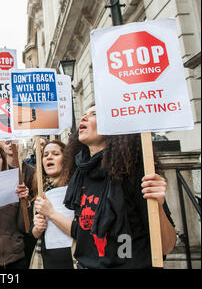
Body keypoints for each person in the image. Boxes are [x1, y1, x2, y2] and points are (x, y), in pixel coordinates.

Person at [62, 106, 176, 269]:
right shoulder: (80, 174)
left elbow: (167, 246)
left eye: (94, 114)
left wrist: (157, 204)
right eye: (84, 114)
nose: (84, 118)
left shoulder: (132, 172)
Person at [32, 140, 74, 269]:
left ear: (65, 159)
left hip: (72, 257)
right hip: (47, 259)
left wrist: (51, 213)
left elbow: (80, 231)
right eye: (45, 155)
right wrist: (37, 229)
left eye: (55, 154)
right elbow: (34, 234)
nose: (49, 157)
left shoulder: (76, 188)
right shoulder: (40, 191)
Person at [0, 140, 36, 265]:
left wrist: (27, 198)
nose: (10, 144)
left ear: (20, 143)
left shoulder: (32, 172)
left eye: (13, 140)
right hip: (8, 234)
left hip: (28, 231)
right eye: (6, 141)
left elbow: (36, 199)